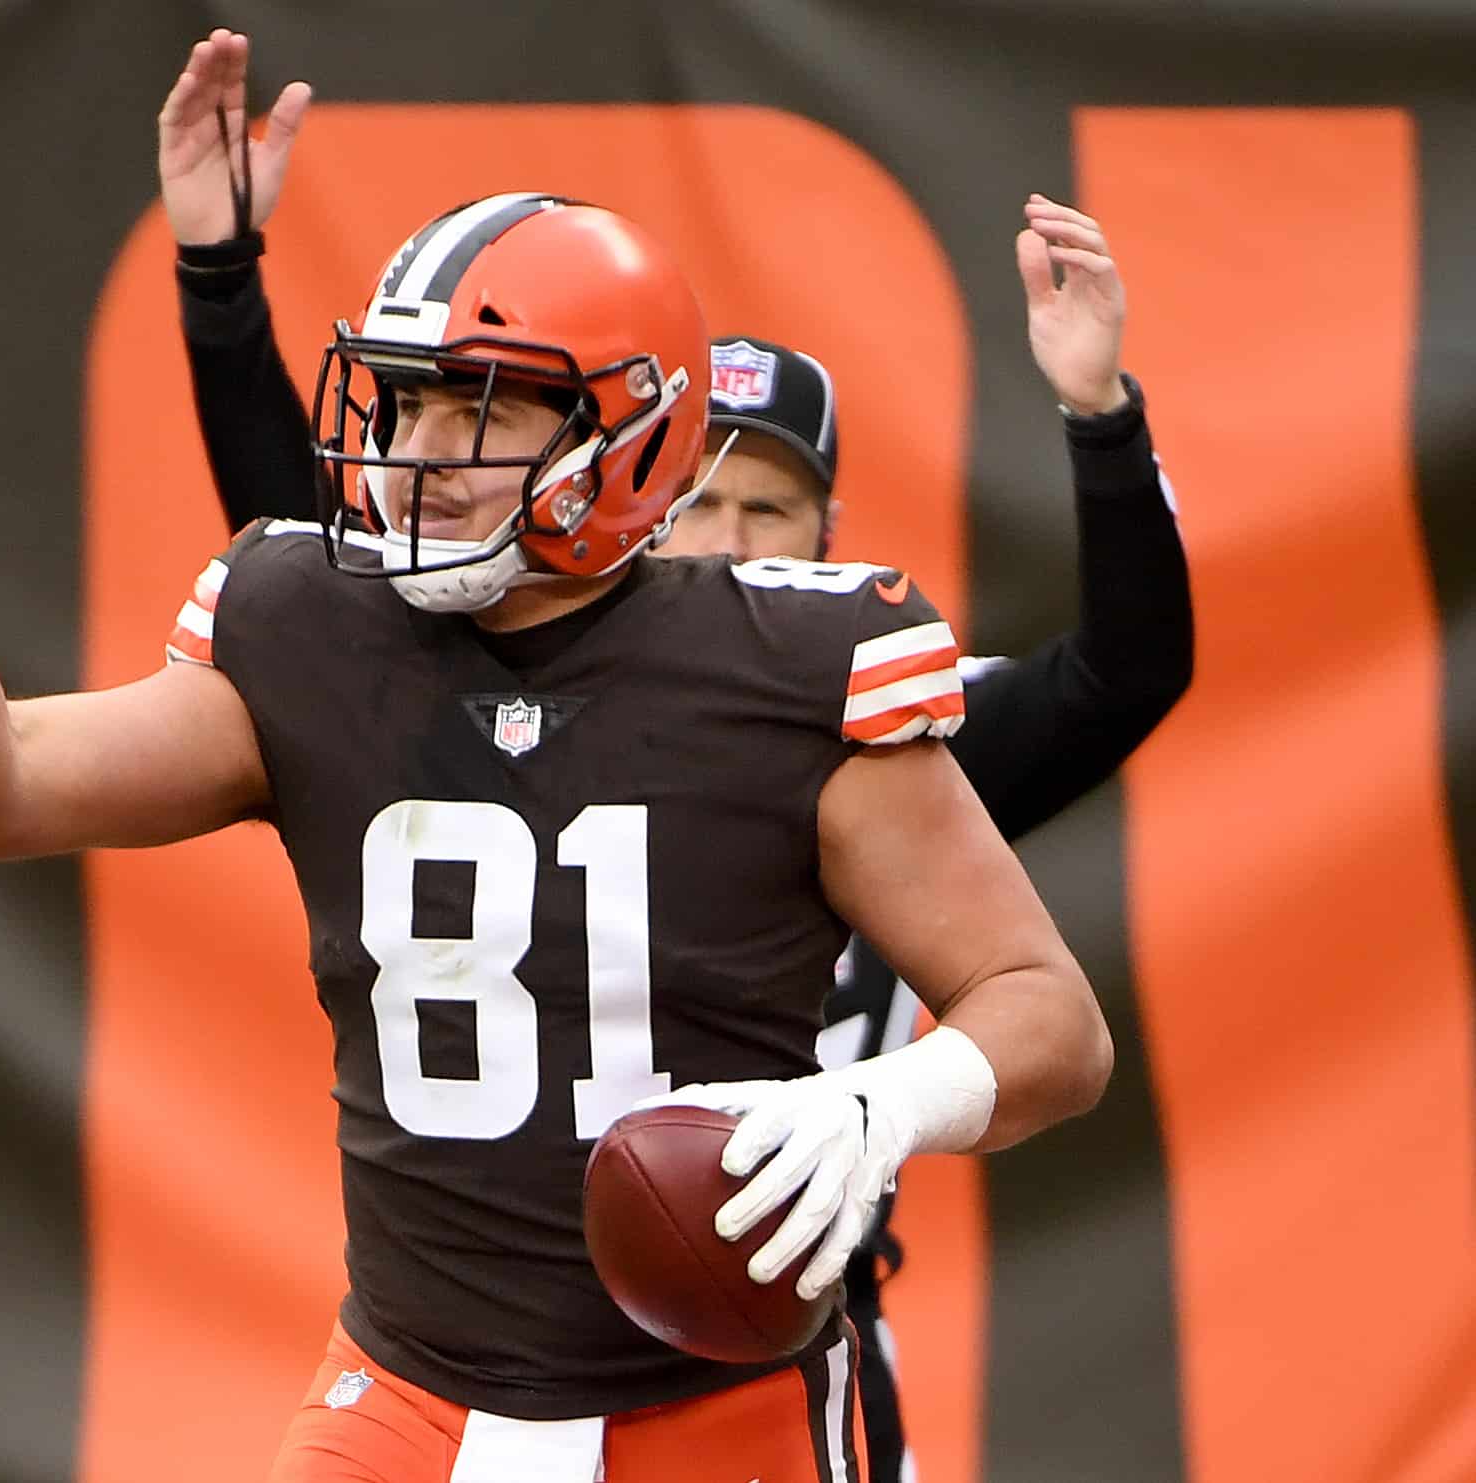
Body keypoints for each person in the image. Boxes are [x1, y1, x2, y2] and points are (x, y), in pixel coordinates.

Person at [0, 47, 1112, 1483]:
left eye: (479, 405)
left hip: (716, 1408)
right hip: (405, 1390)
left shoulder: (786, 667)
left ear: (629, 437)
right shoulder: (308, 625)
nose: (419, 452)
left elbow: (1048, 1022)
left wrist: (881, 1101)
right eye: (402, 403)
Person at [159, 30, 1191, 1483]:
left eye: (772, 508)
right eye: (706, 497)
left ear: (825, 533)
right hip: (467, 1331)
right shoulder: (467, 643)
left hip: (757, 1307)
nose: (727, 533)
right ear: (627, 481)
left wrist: (1098, 419)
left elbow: (1121, 679)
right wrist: (219, 282)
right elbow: (323, 584)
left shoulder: (835, 706)